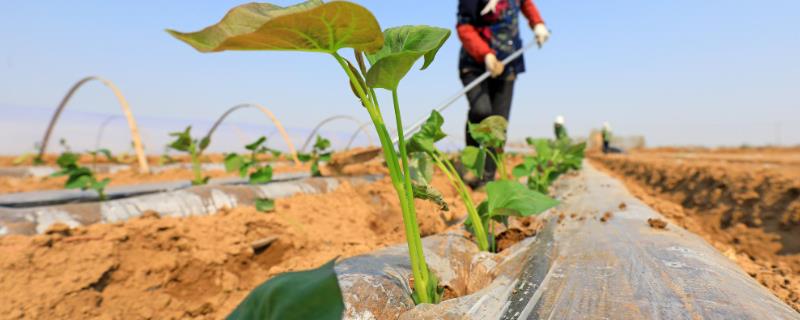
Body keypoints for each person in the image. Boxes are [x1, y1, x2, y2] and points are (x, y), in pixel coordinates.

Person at [457, 0, 550, 186]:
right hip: (475, 64)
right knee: (481, 110)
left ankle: (488, 178)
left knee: (499, 125)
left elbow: (526, 4)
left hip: (508, 63)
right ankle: (471, 162)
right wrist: (485, 54)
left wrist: (538, 23)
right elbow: (464, 26)